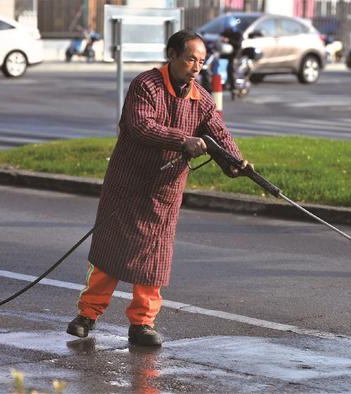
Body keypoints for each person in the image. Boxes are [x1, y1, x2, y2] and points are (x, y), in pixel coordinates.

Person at [66, 29, 251, 346]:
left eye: (202, 61)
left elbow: (219, 134)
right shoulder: (145, 85)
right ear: (173, 55)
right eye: (191, 59)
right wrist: (183, 140)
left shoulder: (201, 100)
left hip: (165, 191)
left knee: (154, 261)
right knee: (109, 255)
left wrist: (236, 162)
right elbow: (140, 126)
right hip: (127, 185)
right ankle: (87, 314)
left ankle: (142, 324)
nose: (196, 67)